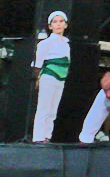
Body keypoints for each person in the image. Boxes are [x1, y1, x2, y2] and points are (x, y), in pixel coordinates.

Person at [32, 11, 69, 142]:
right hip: (48, 77)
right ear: (50, 26)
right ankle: (38, 137)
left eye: (61, 21)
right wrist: (38, 79)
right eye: (55, 22)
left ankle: (48, 136)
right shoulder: (44, 44)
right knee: (44, 108)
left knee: (53, 110)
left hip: (61, 79)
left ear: (65, 25)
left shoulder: (66, 44)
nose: (58, 24)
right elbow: (38, 65)